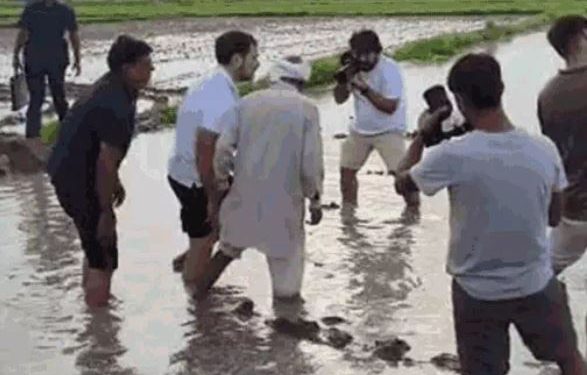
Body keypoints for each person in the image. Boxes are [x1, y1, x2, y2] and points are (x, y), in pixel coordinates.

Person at [394, 53, 586, 374]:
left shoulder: (451, 154)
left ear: (458, 99)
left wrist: (423, 136)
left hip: (476, 291)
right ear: (501, 89)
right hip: (536, 283)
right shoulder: (544, 149)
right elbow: (554, 218)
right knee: (569, 359)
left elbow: (402, 182)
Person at [194, 56, 324, 301]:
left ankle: (195, 310)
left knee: (226, 251)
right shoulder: (308, 109)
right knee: (287, 285)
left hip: (244, 197)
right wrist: (315, 199)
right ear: (302, 82)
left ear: (273, 78)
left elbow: (222, 149)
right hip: (285, 204)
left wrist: (223, 183)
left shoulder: (246, 103)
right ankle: (284, 326)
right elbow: (311, 162)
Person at [47, 35, 154, 307]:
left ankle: (92, 305)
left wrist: (114, 181)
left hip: (68, 173)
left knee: (94, 247)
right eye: (145, 65)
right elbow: (105, 161)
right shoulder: (115, 103)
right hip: (79, 180)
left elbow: (101, 153)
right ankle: (100, 328)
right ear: (126, 68)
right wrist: (106, 213)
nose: (151, 71)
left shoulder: (110, 88)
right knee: (104, 252)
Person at [167, 30, 259, 283]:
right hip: (194, 177)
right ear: (237, 60)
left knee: (232, 214)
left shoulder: (214, 82)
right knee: (206, 238)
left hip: (184, 170)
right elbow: (205, 150)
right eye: (253, 57)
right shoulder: (221, 95)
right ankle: (196, 305)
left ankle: (186, 260)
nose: (257, 63)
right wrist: (212, 199)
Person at [333, 29, 418, 209]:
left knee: (402, 178)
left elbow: (390, 107)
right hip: (360, 130)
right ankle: (349, 215)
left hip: (389, 129)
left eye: (366, 55)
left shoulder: (390, 69)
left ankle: (413, 213)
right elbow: (339, 99)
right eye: (358, 55)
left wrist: (365, 89)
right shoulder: (353, 68)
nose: (362, 60)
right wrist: (344, 82)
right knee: (346, 173)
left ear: (377, 52)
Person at [539, 15, 587, 275]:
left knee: (542, 272)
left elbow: (552, 153)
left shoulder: (548, 95)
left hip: (572, 206)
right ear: (583, 36)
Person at [13, 0, 81, 148]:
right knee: (58, 97)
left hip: (35, 57)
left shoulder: (31, 9)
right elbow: (73, 36)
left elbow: (23, 34)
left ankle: (32, 138)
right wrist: (77, 58)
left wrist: (16, 54)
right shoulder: (65, 10)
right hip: (55, 58)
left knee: (36, 99)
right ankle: (68, 134)